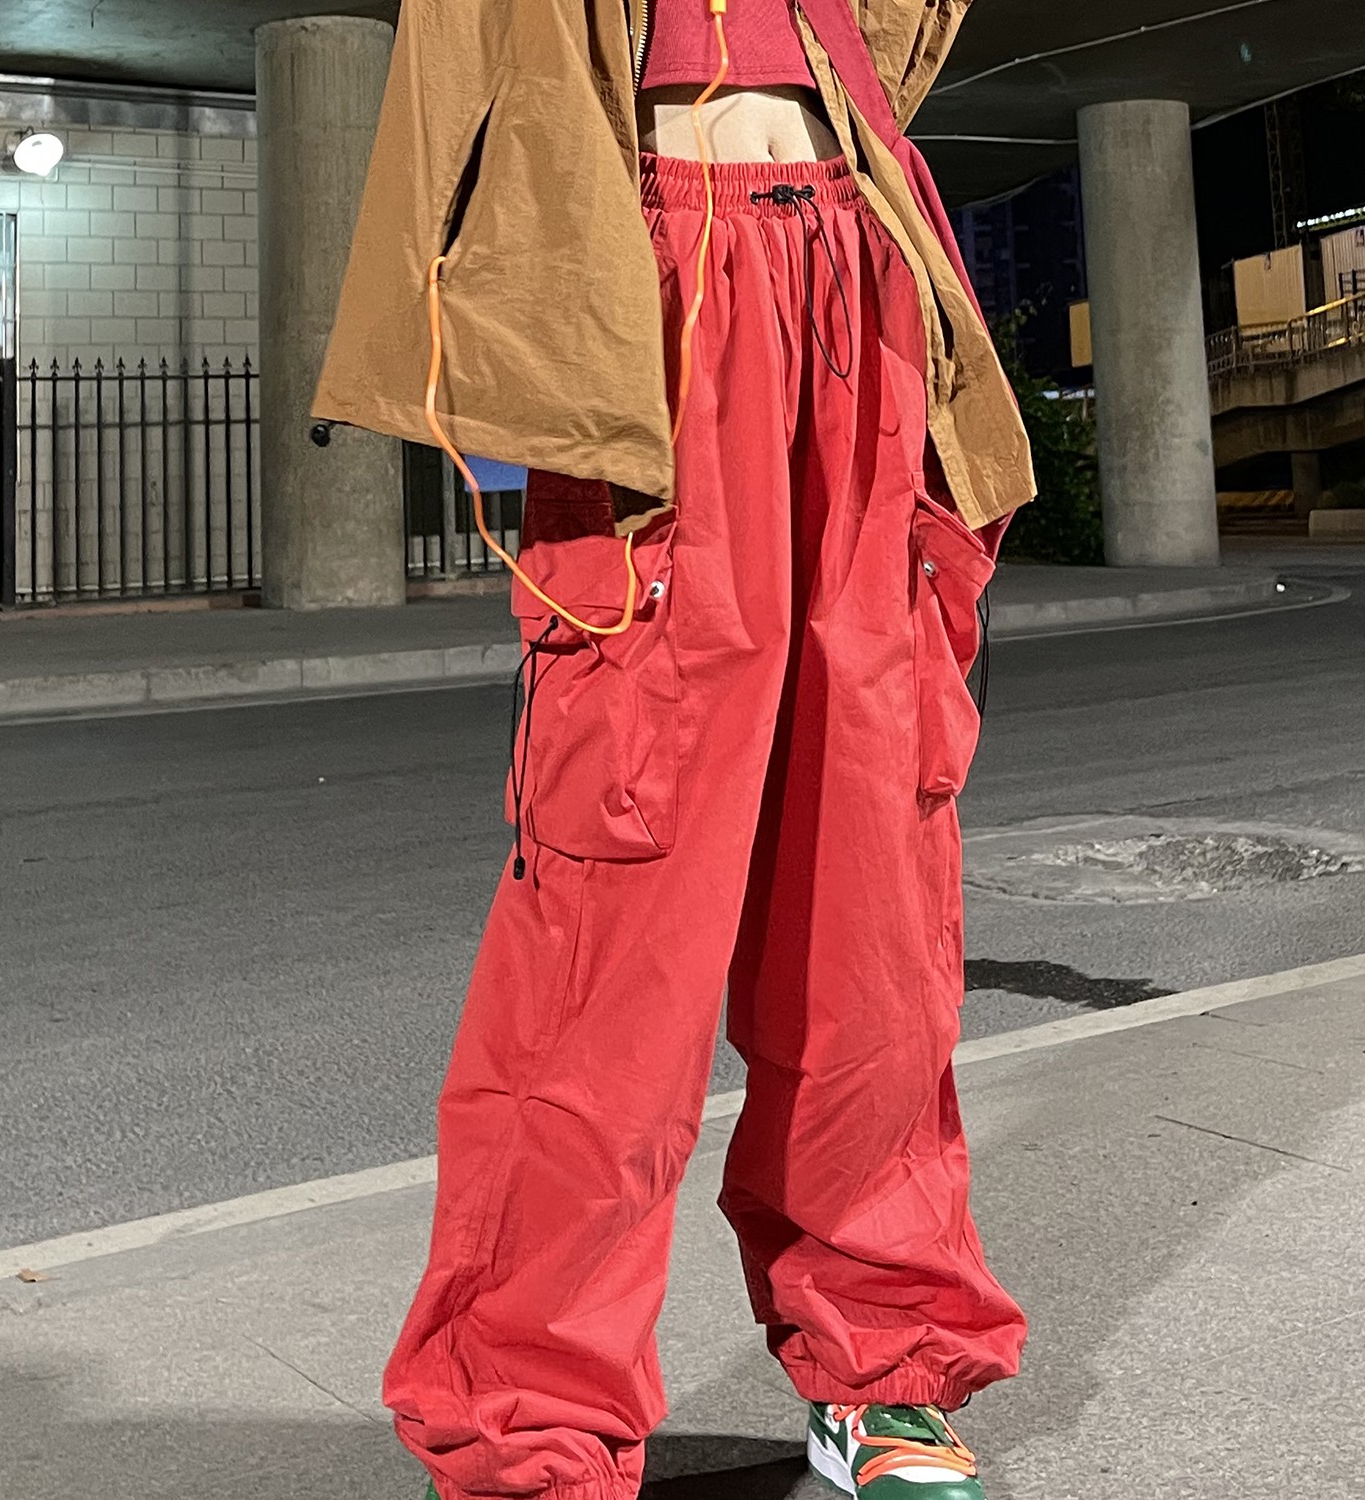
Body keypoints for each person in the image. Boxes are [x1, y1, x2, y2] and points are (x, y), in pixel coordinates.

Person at [314, 1, 1037, 1497]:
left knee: (872, 912)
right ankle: (531, 1427)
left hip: (857, 258)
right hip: (650, 281)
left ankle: (886, 1364)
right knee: (612, 930)